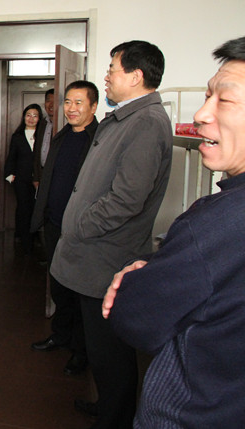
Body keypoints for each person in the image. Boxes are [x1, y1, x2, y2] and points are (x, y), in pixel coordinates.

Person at [102, 36, 245, 428]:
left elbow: (136, 315)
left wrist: (138, 277)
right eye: (207, 96)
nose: (200, 114)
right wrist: (158, 265)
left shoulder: (220, 223)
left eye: (225, 100)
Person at [50, 40, 172, 428]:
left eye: (112, 69)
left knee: (110, 351)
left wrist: (80, 224)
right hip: (94, 253)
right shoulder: (126, 118)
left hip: (106, 256)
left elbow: (126, 199)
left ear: (135, 76)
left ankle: (115, 418)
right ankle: (108, 406)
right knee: (102, 348)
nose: (107, 76)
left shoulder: (146, 123)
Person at [29, 81, 99, 377]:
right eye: (67, 102)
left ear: (93, 106)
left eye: (78, 102)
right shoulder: (62, 136)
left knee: (80, 292)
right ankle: (60, 336)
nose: (70, 108)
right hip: (54, 223)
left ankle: (81, 351)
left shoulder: (99, 141)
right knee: (58, 285)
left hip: (82, 229)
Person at [3, 103, 42, 253]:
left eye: (35, 116)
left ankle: (33, 237)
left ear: (39, 118)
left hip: (39, 180)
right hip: (21, 179)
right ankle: (24, 240)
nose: (31, 119)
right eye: (28, 115)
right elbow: (11, 157)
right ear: (24, 117)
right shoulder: (17, 136)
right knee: (24, 208)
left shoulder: (43, 136)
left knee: (35, 208)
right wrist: (9, 176)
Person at [33, 88, 55, 183]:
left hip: (55, 175)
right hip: (41, 174)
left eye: (55, 101)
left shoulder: (64, 125)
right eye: (48, 101)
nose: (51, 105)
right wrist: (36, 177)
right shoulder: (41, 124)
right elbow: (36, 151)